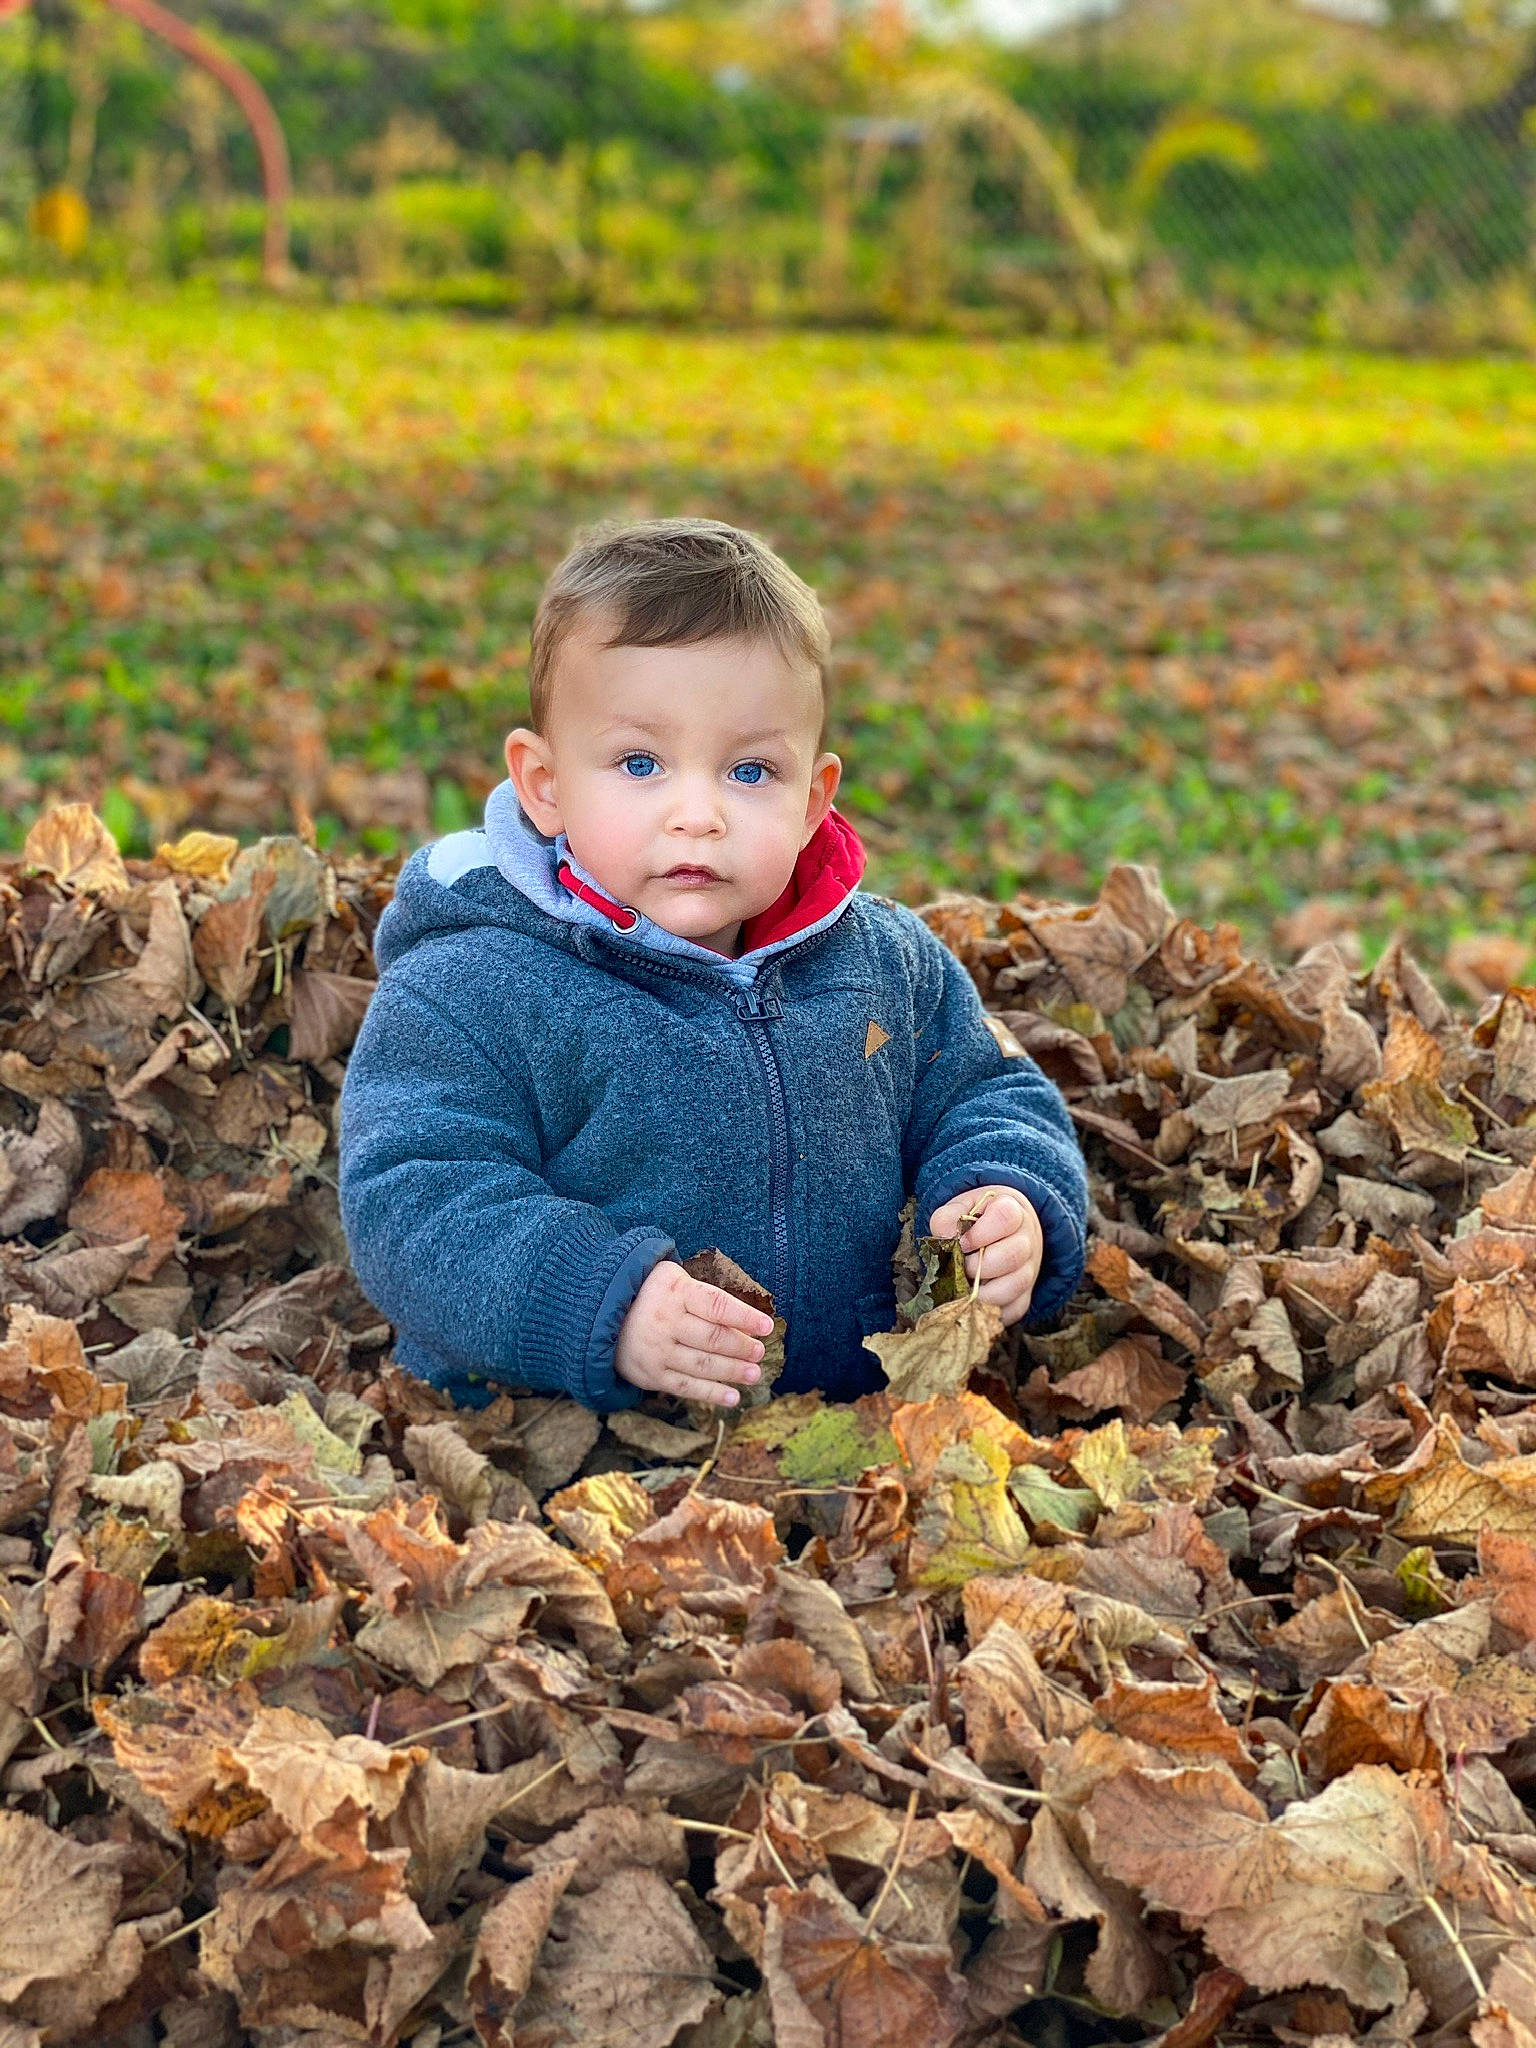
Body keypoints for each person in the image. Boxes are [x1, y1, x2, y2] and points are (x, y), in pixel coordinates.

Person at [338, 516, 1088, 1413]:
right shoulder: (471, 989)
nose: (698, 813)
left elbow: (984, 1088)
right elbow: (415, 1197)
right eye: (640, 763)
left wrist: (1005, 1197)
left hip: (861, 1438)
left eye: (750, 772)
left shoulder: (886, 965)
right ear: (546, 784)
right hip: (573, 1445)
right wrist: (599, 1302)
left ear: (813, 801)